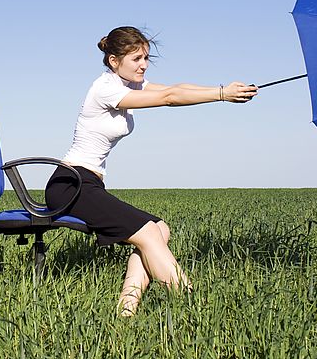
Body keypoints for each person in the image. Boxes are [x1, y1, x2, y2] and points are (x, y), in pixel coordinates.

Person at [44, 26, 257, 316]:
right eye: (136, 59)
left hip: (88, 184)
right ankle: (190, 304)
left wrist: (227, 89)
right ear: (113, 61)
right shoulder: (105, 89)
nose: (143, 64)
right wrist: (221, 94)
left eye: (146, 57)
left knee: (159, 228)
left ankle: (126, 309)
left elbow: (177, 88)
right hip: (71, 185)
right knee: (147, 233)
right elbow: (169, 98)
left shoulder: (128, 85)